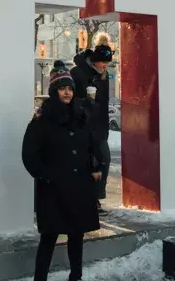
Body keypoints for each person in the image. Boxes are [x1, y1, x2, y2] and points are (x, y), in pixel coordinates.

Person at [22, 60, 101, 281]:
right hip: (53, 189)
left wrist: (95, 167)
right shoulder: (42, 119)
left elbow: (92, 145)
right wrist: (45, 176)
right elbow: (29, 154)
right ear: (54, 91)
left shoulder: (82, 116)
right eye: (62, 88)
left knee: (77, 237)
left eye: (70, 89)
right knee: (49, 238)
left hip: (79, 187)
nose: (66, 93)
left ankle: (76, 276)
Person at [70, 32, 113, 215]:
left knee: (104, 159)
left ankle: (96, 196)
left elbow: (103, 104)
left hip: (99, 126)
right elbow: (68, 98)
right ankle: (85, 198)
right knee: (83, 163)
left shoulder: (105, 75)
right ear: (93, 60)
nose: (105, 66)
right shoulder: (77, 72)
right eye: (102, 63)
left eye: (107, 63)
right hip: (80, 124)